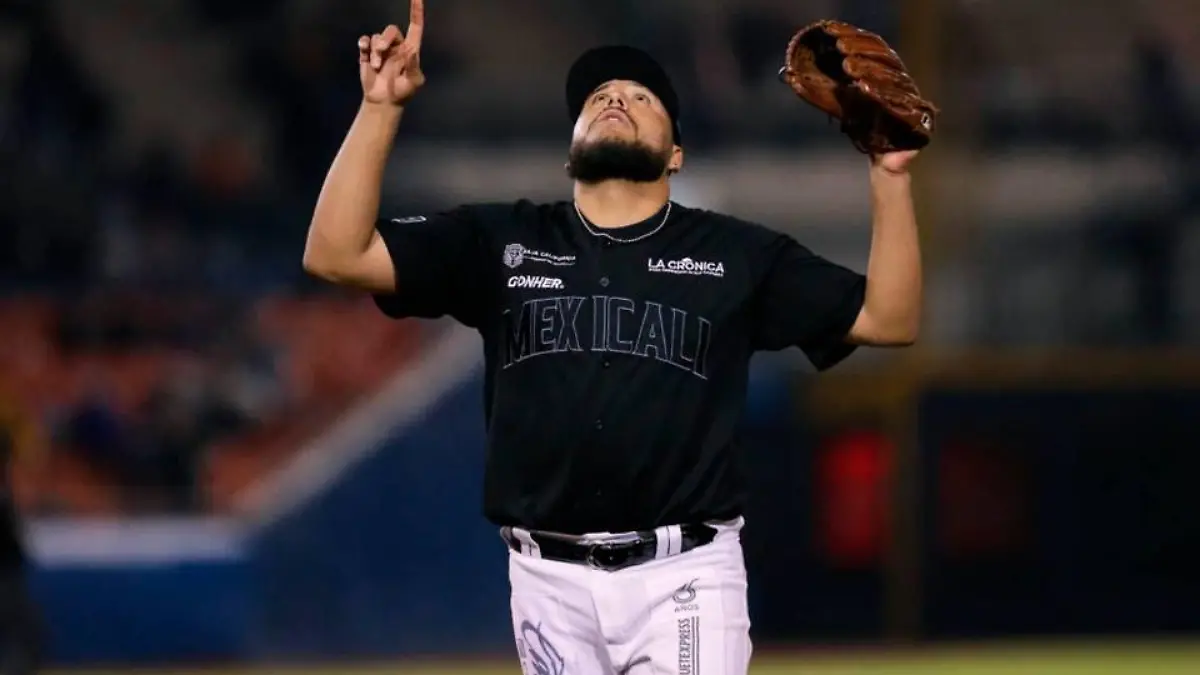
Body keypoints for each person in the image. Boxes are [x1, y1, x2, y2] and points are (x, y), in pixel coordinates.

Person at [302, 1, 922, 672]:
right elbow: (335, 254)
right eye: (598, 97)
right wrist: (380, 108)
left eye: (640, 96)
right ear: (570, 150)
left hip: (683, 575)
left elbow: (887, 319)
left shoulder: (734, 254)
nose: (616, 98)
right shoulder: (501, 240)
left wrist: (889, 176)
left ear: (676, 153)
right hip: (545, 583)